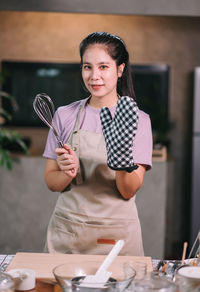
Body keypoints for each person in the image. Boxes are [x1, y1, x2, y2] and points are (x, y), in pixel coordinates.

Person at [43, 32, 152, 255]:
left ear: (120, 69)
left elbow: (128, 190)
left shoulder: (139, 120)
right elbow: (52, 183)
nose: (94, 76)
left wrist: (120, 156)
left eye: (103, 67)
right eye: (87, 67)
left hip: (116, 239)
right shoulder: (64, 115)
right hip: (69, 232)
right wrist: (67, 171)